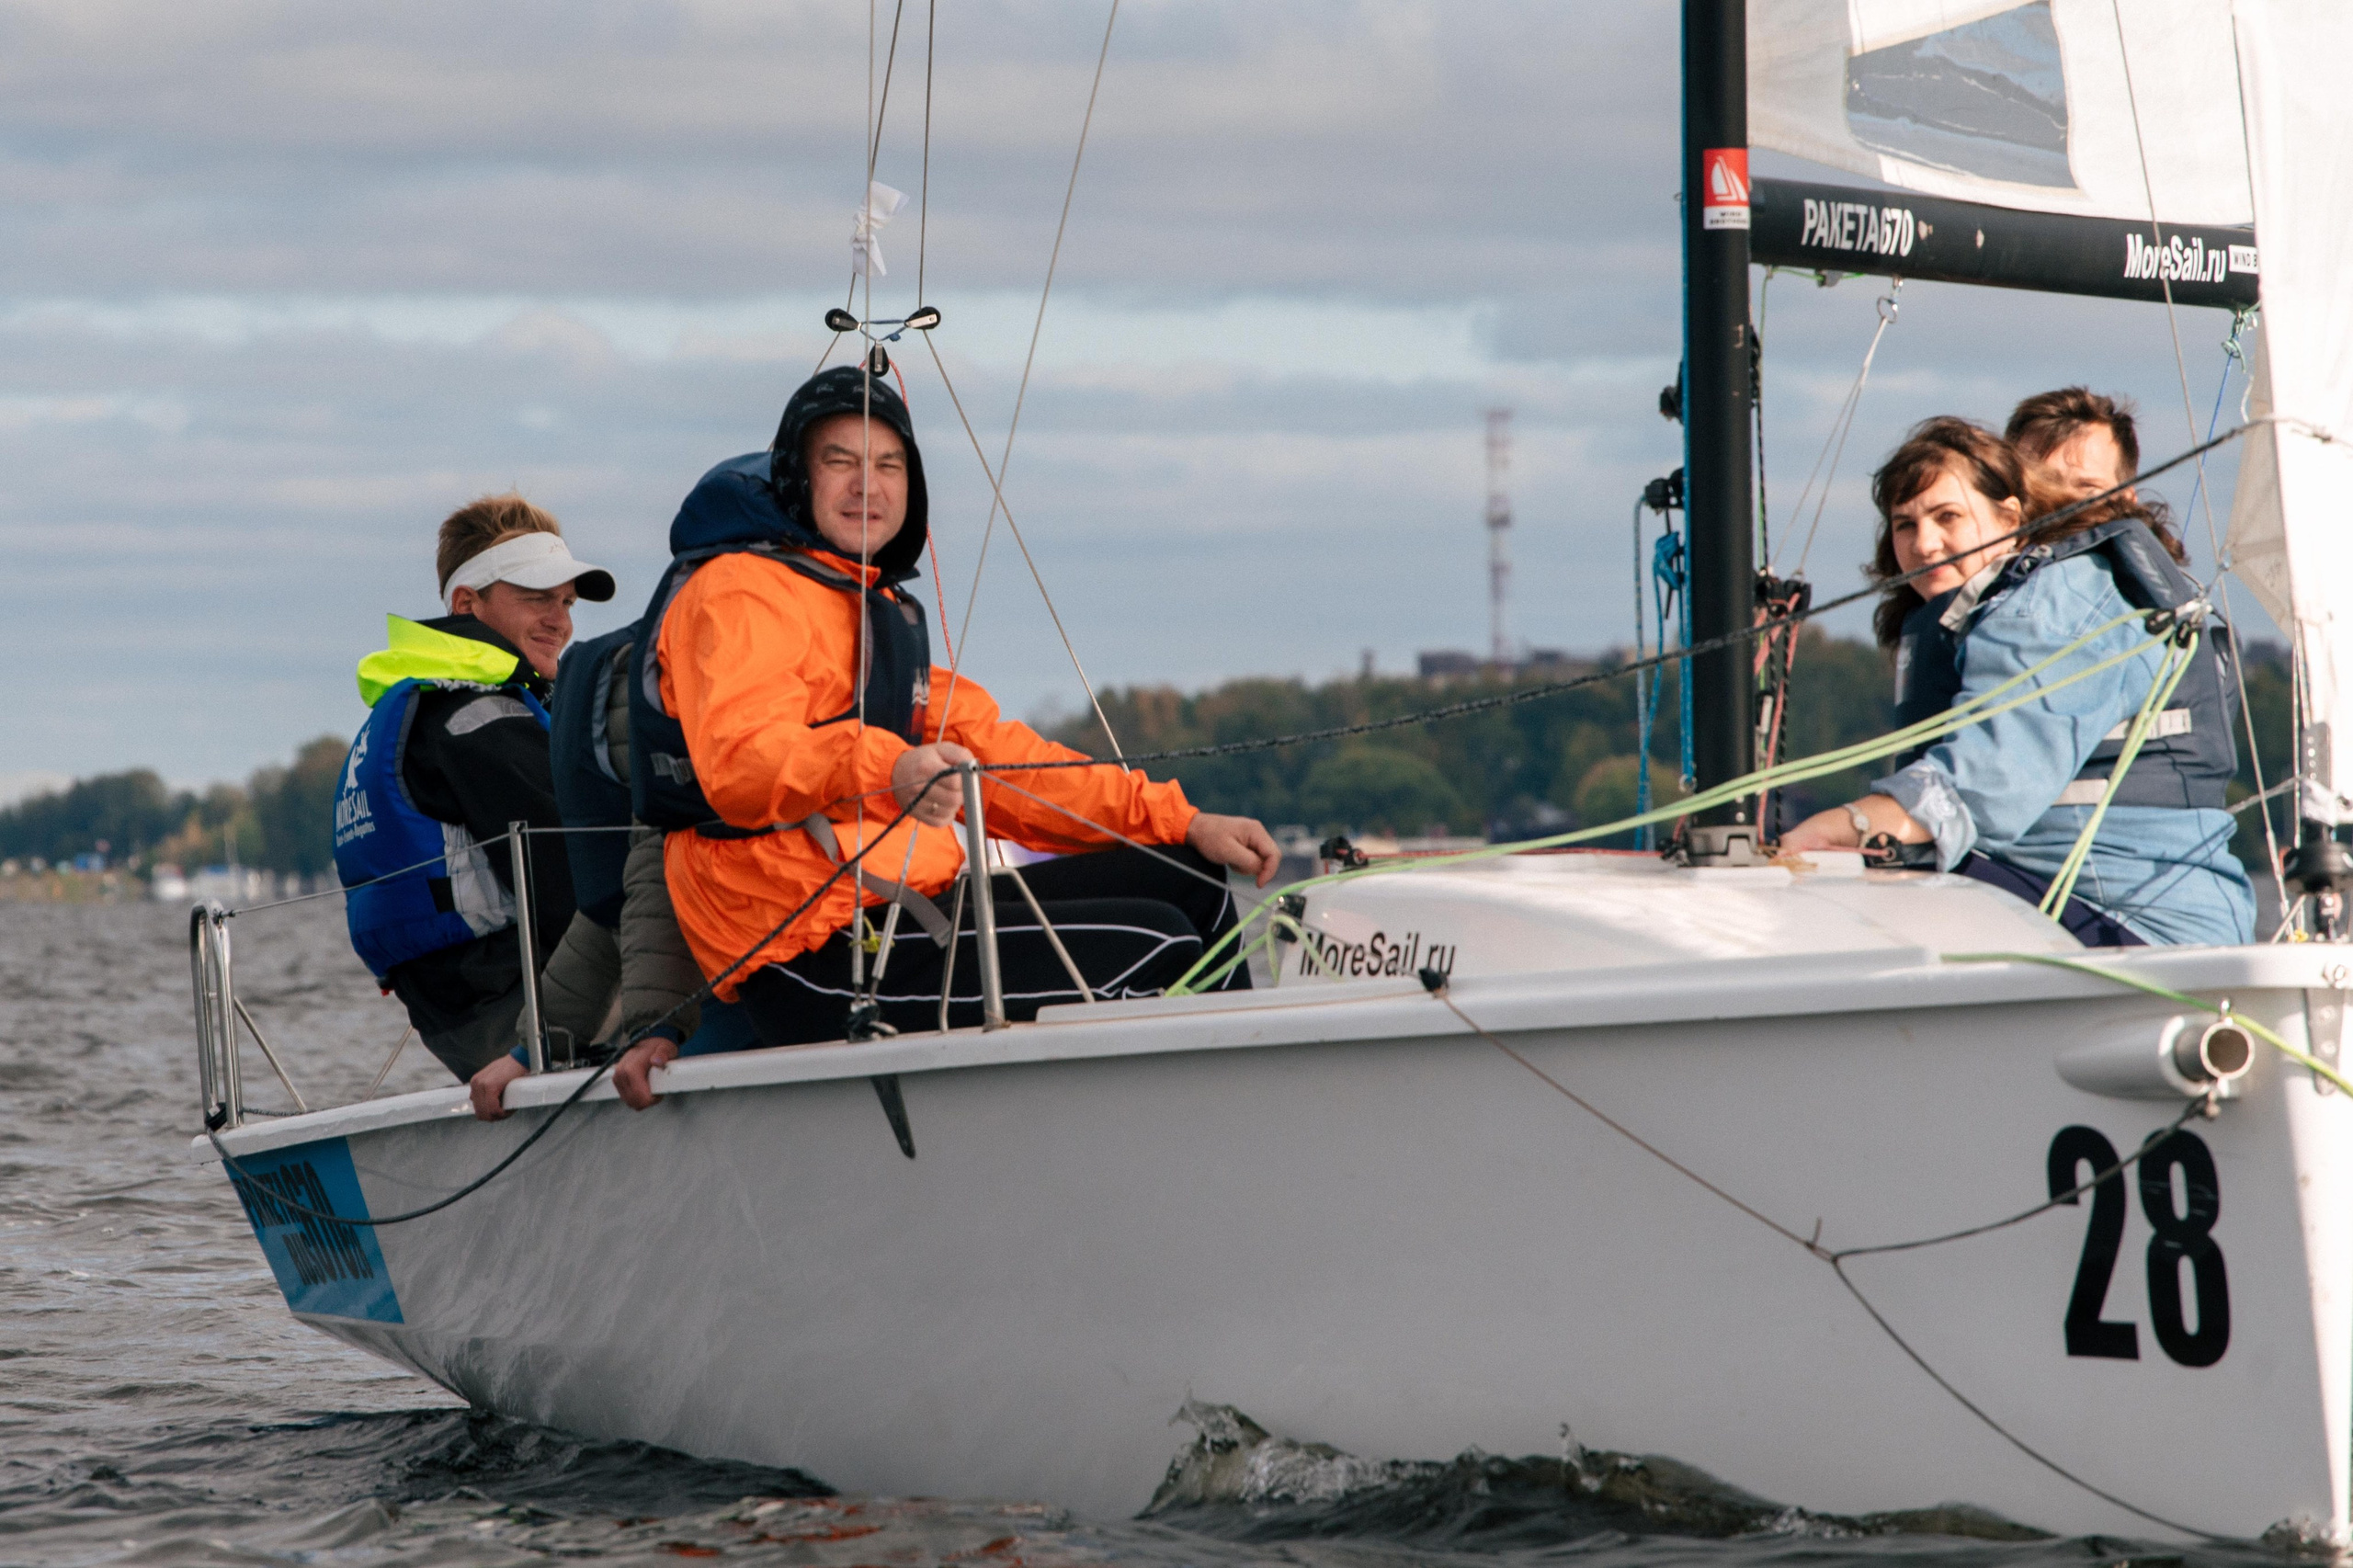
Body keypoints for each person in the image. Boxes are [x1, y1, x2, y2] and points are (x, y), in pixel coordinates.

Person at [607, 367, 1279, 1096]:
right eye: (841, 462)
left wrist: (1182, 820)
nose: (868, 486)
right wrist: (890, 769)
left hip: (907, 908)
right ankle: (1207, 1122)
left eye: (889, 465)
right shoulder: (739, 592)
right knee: (1155, 942)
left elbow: (1005, 761)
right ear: (796, 478)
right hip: (810, 950)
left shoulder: (867, 607)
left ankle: (1252, 1107)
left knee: (1191, 879)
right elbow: (743, 762)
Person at [1780, 417, 2253, 946]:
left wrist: (1838, 827)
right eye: (1905, 525)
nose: (1925, 543)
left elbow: (1987, 781)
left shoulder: (2058, 600)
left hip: (2128, 920)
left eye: (1947, 516)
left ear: (2009, 517)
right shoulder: (2004, 602)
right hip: (2065, 897)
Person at [333, 494, 627, 1094]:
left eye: (567, 602)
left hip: (461, 1013)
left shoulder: (424, 706)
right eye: (537, 597)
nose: (561, 621)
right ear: (467, 604)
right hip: (523, 1010)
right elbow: (580, 890)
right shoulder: (482, 718)